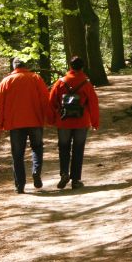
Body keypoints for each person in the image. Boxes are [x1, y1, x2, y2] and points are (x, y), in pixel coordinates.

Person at [0, 58, 51, 194]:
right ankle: (36, 171)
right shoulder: (35, 78)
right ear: (26, 66)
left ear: (14, 67)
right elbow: (45, 99)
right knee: (37, 148)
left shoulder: (6, 81)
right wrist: (48, 118)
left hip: (15, 124)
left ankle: (20, 185)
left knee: (17, 154)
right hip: (35, 121)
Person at [49, 56, 100, 190]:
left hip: (63, 121)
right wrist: (95, 122)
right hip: (81, 122)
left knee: (63, 148)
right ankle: (76, 180)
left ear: (70, 66)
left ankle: (64, 174)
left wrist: (54, 118)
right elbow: (93, 104)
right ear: (82, 67)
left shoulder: (60, 82)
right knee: (78, 149)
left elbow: (52, 101)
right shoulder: (86, 83)